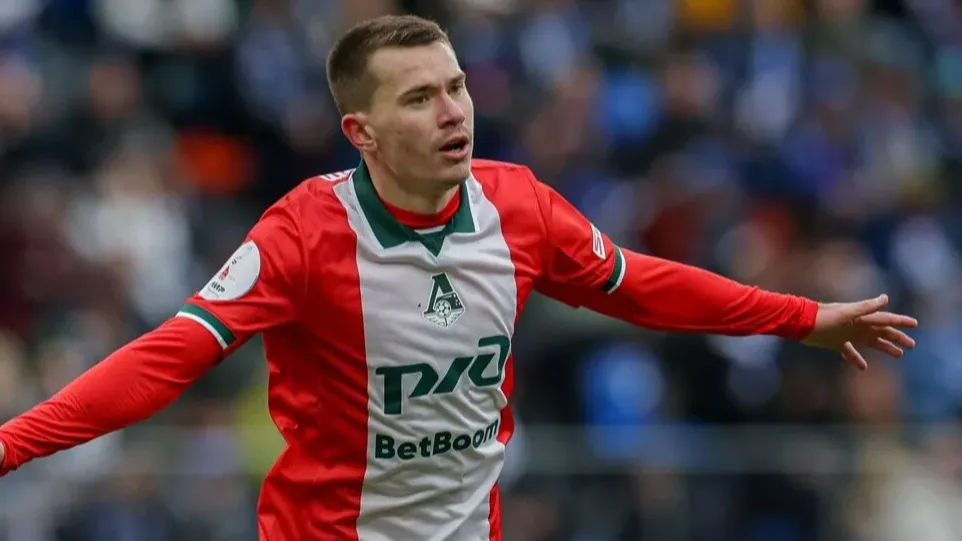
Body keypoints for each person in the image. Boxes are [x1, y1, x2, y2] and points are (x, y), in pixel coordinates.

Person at [0, 14, 917, 541]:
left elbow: (640, 284)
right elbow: (168, 355)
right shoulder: (303, 234)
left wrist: (803, 317)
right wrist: (11, 443)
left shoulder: (519, 206)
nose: (452, 112)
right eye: (418, 97)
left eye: (457, 87)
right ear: (360, 133)